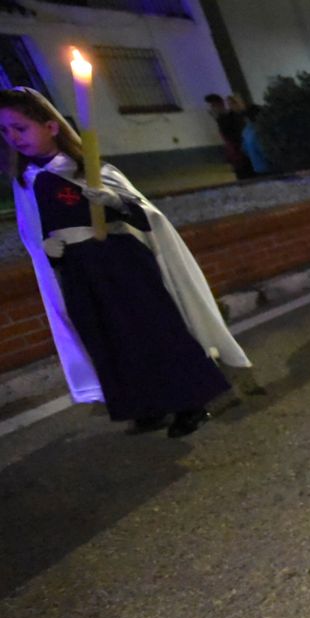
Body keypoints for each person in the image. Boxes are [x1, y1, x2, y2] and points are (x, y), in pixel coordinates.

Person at [0, 87, 250, 438]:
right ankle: (145, 405)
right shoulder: (26, 183)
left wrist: (115, 201)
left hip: (121, 265)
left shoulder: (89, 169)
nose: (13, 138)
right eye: (5, 131)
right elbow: (33, 233)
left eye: (20, 128)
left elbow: (147, 217)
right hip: (77, 272)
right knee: (110, 340)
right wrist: (47, 249)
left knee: (153, 331)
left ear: (51, 126)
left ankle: (190, 402)